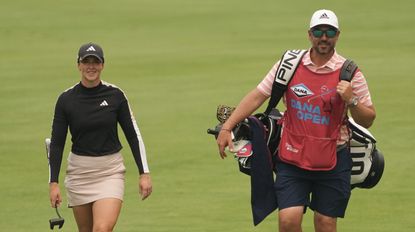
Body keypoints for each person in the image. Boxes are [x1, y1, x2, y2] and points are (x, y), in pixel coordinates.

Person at [216, 9, 376, 232]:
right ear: (309, 35)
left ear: (337, 35)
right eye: (318, 31)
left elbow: (368, 119)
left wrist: (352, 100)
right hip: (293, 158)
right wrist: (228, 126)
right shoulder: (289, 64)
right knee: (288, 221)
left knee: (325, 224)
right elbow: (258, 95)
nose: (323, 37)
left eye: (329, 31)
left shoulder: (349, 72)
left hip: (334, 159)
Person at [48, 42, 152, 232]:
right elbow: (56, 144)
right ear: (78, 65)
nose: (91, 67)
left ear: (102, 65)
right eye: (86, 62)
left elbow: (133, 135)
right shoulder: (66, 100)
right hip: (79, 174)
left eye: (95, 62)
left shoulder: (115, 95)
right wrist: (53, 183)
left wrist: (144, 173)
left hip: (109, 172)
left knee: (102, 229)